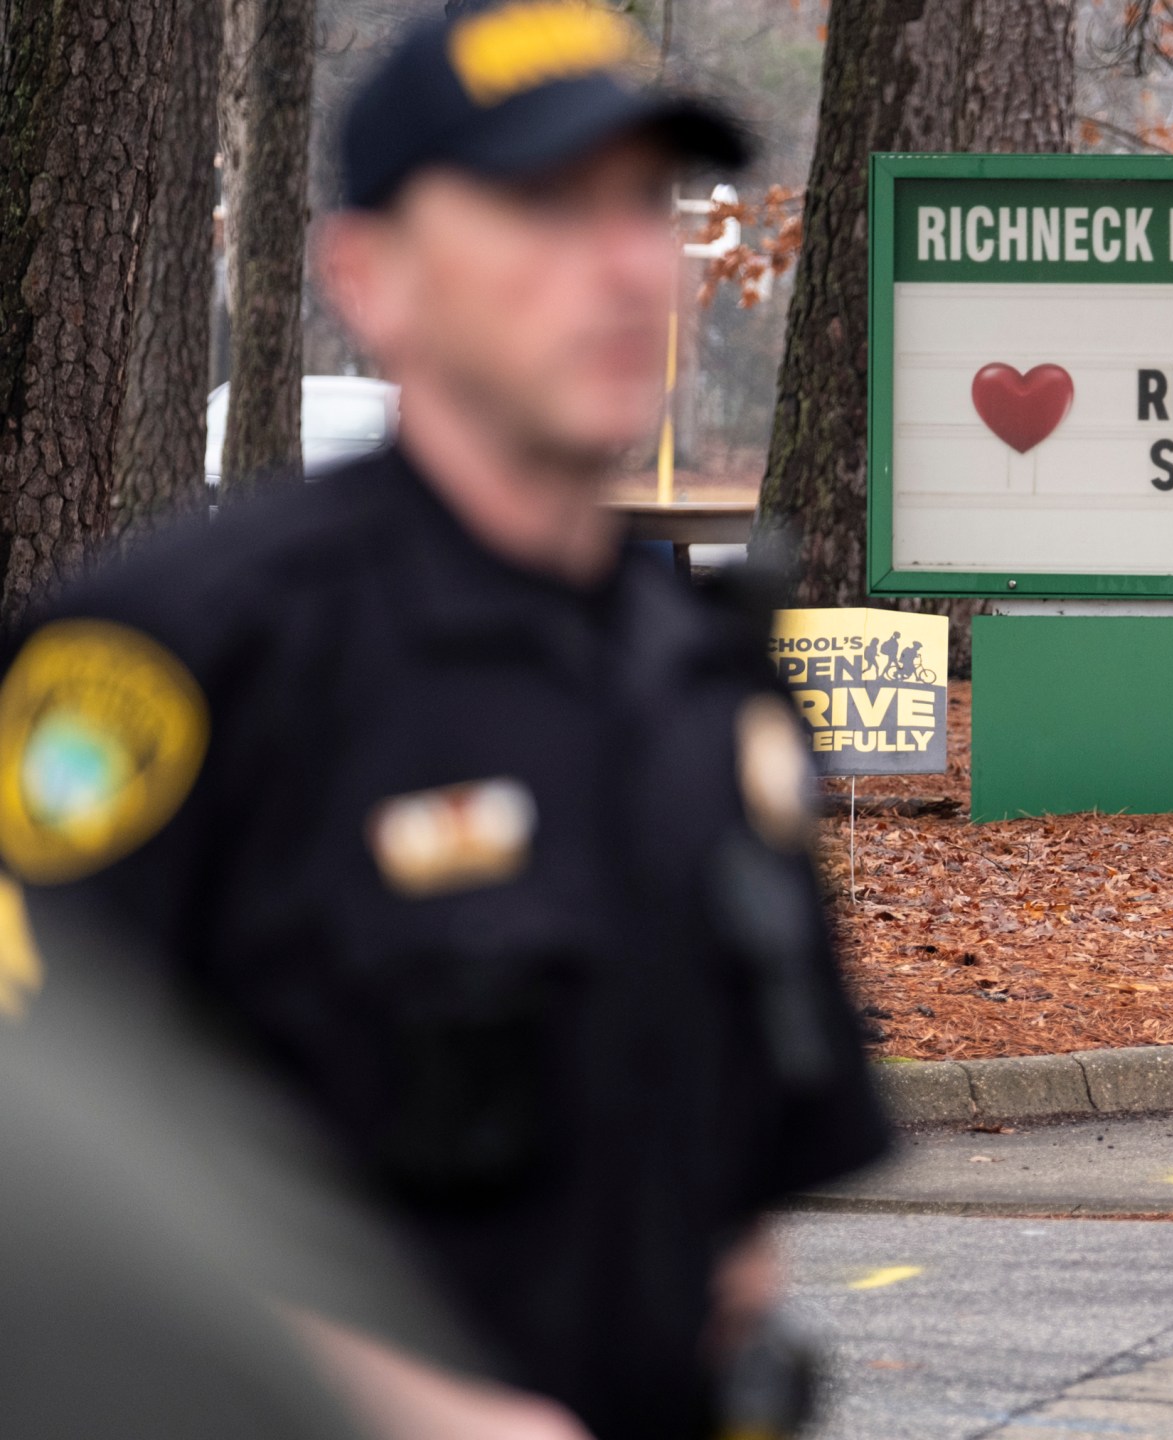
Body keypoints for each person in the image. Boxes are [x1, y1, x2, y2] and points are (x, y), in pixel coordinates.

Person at [0, 3, 889, 1436]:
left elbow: (733, 1181)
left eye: (645, 209)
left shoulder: (705, 679)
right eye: (542, 208)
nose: (620, 268)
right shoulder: (174, 663)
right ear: (374, 280)